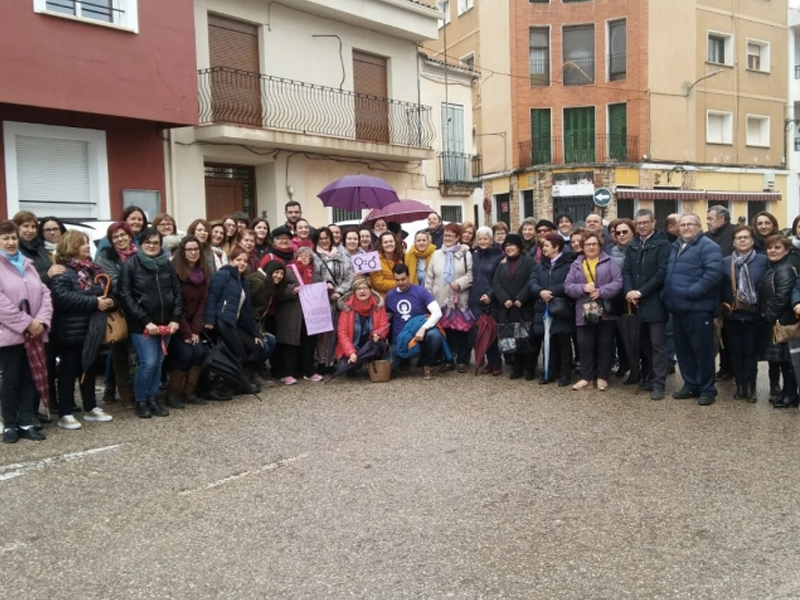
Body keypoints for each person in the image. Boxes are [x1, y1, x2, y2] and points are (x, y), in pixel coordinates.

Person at [49, 230, 115, 429]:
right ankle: (65, 412)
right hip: (70, 331)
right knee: (69, 370)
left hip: (91, 330)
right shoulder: (63, 271)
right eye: (82, 243)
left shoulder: (93, 270)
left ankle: (90, 407)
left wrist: (109, 301)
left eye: (87, 243)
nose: (87, 246)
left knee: (89, 369)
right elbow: (62, 298)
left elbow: (103, 292)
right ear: (70, 246)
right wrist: (94, 302)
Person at [119, 227, 182, 418]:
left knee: (160, 362)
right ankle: (141, 400)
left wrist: (175, 318)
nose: (152, 246)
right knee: (148, 362)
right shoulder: (131, 265)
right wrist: (146, 322)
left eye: (156, 243)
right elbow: (125, 296)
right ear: (140, 244)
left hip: (166, 324)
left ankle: (153, 399)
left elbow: (177, 292)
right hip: (143, 325)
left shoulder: (167, 265)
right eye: (148, 242)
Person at [662, 213, 723, 405]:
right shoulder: (676, 246)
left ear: (698, 226)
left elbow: (713, 275)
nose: (686, 227)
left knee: (702, 351)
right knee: (683, 350)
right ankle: (690, 385)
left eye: (690, 224)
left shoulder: (708, 246)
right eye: (683, 224)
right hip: (678, 307)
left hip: (698, 308)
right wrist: (667, 294)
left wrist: (691, 292)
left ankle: (707, 389)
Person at [0, 220, 52, 443]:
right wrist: (26, 323)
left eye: (13, 238)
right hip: (11, 335)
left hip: (34, 333)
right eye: (5, 238)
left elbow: (45, 293)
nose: (11, 242)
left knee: (29, 379)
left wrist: (40, 321)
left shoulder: (28, 264)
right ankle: (10, 424)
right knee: (10, 381)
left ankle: (26, 422)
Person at [204, 246, 268, 393]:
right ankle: (218, 385)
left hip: (234, 323)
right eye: (238, 259)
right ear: (231, 260)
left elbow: (246, 312)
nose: (242, 263)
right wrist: (209, 320)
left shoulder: (243, 281)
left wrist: (255, 333)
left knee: (258, 348)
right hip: (221, 321)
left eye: (245, 261)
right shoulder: (223, 275)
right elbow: (211, 297)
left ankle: (239, 381)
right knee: (239, 354)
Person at [622, 209, 671, 400]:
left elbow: (661, 273)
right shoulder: (633, 245)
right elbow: (626, 271)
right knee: (644, 345)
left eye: (645, 222)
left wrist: (641, 291)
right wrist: (629, 291)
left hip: (655, 302)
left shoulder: (662, 244)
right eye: (638, 223)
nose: (641, 226)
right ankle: (649, 377)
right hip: (635, 303)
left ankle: (659, 383)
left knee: (658, 345)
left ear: (653, 222)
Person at [564, 231, 623, 391]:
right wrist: (582, 287)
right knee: (584, 344)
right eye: (587, 244)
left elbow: (618, 281)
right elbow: (568, 286)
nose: (591, 247)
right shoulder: (576, 264)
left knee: (604, 344)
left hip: (605, 311)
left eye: (594, 244)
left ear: (600, 246)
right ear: (582, 247)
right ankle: (586, 377)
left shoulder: (609, 262)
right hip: (584, 311)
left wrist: (601, 291)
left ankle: (602, 377)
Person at [721, 225, 768, 403]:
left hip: (754, 315)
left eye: (746, 237)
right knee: (735, 351)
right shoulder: (726, 262)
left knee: (750, 351)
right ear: (733, 242)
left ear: (752, 241)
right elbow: (720, 286)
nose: (742, 240)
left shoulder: (763, 260)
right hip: (732, 314)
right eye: (738, 237)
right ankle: (739, 385)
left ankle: (751, 386)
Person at [95, 222, 138, 407]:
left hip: (140, 309)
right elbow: (116, 283)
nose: (120, 239)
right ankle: (125, 395)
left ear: (130, 236)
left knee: (138, 354)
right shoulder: (106, 257)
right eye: (115, 237)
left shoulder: (140, 254)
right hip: (119, 309)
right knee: (120, 352)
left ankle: (138, 391)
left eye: (123, 235)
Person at [166, 236, 210, 408]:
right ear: (183, 252)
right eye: (189, 249)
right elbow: (176, 305)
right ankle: (171, 394)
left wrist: (196, 331)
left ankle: (189, 393)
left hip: (193, 324)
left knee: (199, 352)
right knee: (185, 354)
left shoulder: (202, 273)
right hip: (176, 323)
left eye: (196, 249)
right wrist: (186, 332)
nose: (193, 252)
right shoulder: (175, 272)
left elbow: (202, 303)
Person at [425, 223, 473, 372]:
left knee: (461, 330)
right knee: (446, 330)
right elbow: (430, 277)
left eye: (451, 236)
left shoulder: (465, 254)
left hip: (459, 298)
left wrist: (459, 283)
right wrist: (427, 297)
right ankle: (448, 359)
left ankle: (463, 360)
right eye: (446, 235)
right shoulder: (436, 254)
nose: (447, 238)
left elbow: (471, 275)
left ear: (458, 237)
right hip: (440, 298)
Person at [529, 233, 576, 387]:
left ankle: (565, 374)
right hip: (544, 308)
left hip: (561, 309)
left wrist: (550, 291)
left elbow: (569, 283)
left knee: (563, 343)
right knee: (548, 342)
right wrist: (540, 291)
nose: (543, 249)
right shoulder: (541, 265)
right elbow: (532, 282)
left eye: (547, 246)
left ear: (556, 247)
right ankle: (549, 372)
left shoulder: (569, 264)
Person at [274, 247, 324, 384]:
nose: (303, 257)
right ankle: (288, 373)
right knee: (291, 344)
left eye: (306, 255)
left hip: (309, 316)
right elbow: (277, 290)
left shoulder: (316, 275)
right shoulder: (288, 272)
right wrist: (291, 290)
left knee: (309, 343)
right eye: (300, 255)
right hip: (291, 314)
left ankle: (309, 371)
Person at [760, 235, 799, 408]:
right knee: (782, 361)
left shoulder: (785, 269)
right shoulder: (774, 267)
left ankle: (790, 394)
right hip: (776, 320)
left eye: (777, 248)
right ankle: (786, 392)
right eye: (770, 248)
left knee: (787, 361)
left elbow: (781, 297)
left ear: (786, 251)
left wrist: (767, 315)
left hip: (782, 321)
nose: (773, 251)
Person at [385, 263, 444, 380]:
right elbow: (387, 316)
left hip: (420, 334)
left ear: (409, 276)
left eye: (403, 279)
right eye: (397, 280)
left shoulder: (421, 291)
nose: (400, 283)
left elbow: (437, 313)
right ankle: (403, 361)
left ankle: (426, 364)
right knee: (387, 371)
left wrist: (423, 329)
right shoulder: (390, 295)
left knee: (435, 335)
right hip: (401, 337)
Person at [493, 234, 537, 380]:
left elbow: (532, 280)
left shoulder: (529, 262)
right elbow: (496, 283)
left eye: (512, 245)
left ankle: (530, 368)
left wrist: (521, 298)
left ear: (519, 246)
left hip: (523, 307)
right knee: (513, 339)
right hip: (507, 308)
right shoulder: (502, 263)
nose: (509, 248)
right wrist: (504, 298)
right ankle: (517, 368)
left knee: (527, 338)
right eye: (506, 246)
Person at [312, 226, 354, 369]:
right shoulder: (314, 256)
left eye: (326, 238)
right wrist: (326, 286)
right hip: (323, 300)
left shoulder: (342, 254)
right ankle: (322, 361)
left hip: (342, 298)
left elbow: (350, 275)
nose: (324, 241)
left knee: (340, 330)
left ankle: (336, 359)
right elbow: (314, 276)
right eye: (321, 239)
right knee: (323, 332)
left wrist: (340, 291)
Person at [335, 277, 390, 376]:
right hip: (353, 345)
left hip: (370, 344)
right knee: (346, 367)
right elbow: (342, 333)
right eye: (358, 288)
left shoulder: (378, 306)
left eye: (365, 288)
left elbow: (384, 325)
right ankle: (359, 361)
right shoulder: (347, 308)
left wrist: (377, 334)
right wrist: (351, 352)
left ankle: (372, 363)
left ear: (370, 290)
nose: (362, 291)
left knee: (380, 344)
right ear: (354, 291)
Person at [469, 226, 503, 375]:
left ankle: (496, 363)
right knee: (482, 331)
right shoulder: (474, 255)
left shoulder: (499, 256)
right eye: (480, 238)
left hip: (491, 300)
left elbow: (499, 279)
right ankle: (489, 362)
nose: (482, 241)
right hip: (476, 299)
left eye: (485, 238)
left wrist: (490, 295)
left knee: (492, 331)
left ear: (491, 240)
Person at [608, 217, 635, 379]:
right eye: (618, 233)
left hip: (634, 296)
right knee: (620, 334)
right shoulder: (611, 251)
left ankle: (637, 368)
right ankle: (624, 363)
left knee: (635, 335)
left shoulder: (638, 248)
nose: (622, 235)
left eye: (625, 232)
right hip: (617, 297)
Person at [13, 210, 65, 284]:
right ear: (16, 227)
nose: (30, 230)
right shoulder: (14, 250)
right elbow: (18, 281)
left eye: (33, 227)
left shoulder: (39, 247)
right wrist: (47, 275)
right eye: (26, 226)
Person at [370, 231, 405, 296]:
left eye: (391, 241)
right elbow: (379, 283)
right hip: (384, 297)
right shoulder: (374, 259)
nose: (389, 244)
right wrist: (401, 283)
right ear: (381, 244)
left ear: (395, 243)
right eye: (385, 242)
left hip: (401, 294)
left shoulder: (400, 258)